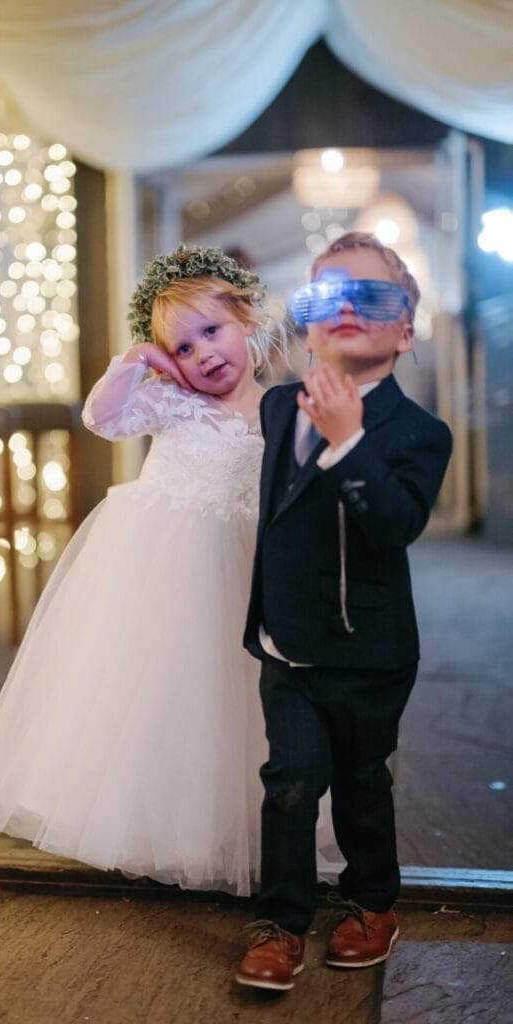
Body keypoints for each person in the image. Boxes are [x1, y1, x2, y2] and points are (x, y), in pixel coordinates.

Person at [0, 244, 332, 896]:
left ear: (247, 321)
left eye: (211, 332)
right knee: (151, 693)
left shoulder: (277, 409)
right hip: (161, 564)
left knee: (231, 700)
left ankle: (222, 830)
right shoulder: (168, 402)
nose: (202, 355)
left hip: (241, 569)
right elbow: (102, 418)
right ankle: (144, 827)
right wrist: (135, 363)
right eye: (181, 349)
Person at [236, 232, 453, 990]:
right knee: (289, 779)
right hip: (288, 642)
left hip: (369, 650)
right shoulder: (273, 409)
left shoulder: (420, 434)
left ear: (405, 329)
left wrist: (348, 441)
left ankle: (371, 903)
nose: (348, 309)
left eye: (375, 297)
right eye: (327, 296)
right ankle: (281, 920)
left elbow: (394, 525)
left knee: (363, 781)